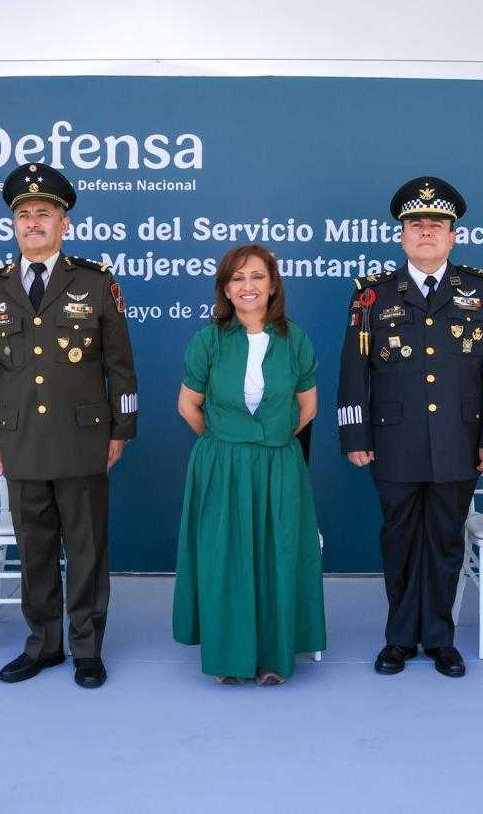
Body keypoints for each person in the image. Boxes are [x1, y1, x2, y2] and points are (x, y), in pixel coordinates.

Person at [0, 162, 138, 689]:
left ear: (64, 224)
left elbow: (120, 367)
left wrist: (120, 430)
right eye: (24, 214)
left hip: (84, 439)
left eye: (45, 213)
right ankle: (43, 644)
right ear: (13, 225)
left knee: (86, 549)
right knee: (35, 550)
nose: (33, 221)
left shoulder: (95, 282)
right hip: (19, 441)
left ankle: (87, 647)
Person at [337, 176, 483, 677]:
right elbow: (354, 373)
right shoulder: (371, 297)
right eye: (417, 224)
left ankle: (439, 637)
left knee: (445, 541)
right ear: (402, 236)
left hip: (459, 442)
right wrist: (356, 435)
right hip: (392, 443)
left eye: (437, 224)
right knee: (398, 540)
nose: (427, 231)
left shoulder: (481, 291)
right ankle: (398, 638)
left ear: (453, 236)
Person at [173, 244, 326, 685]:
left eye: (257, 277)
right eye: (237, 279)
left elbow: (307, 407)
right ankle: (228, 659)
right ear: (225, 288)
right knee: (226, 559)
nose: (248, 286)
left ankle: (274, 658)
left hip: (279, 465)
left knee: (278, 555)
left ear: (273, 284)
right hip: (222, 465)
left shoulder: (294, 339)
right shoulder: (208, 340)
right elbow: (189, 406)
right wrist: (227, 443)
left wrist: (268, 439)